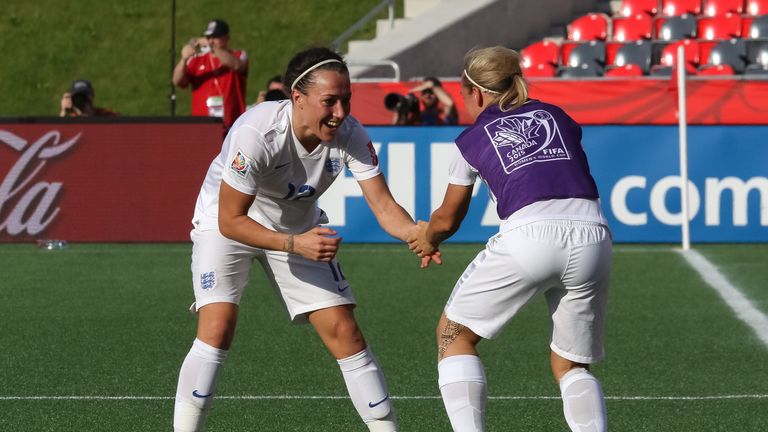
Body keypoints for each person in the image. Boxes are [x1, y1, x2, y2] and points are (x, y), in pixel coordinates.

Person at [173, 47, 438, 432]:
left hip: (296, 226)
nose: (341, 112)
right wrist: (294, 245)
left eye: (346, 99)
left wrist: (416, 233)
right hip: (228, 221)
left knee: (344, 329)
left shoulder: (349, 133)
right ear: (297, 97)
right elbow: (230, 220)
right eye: (329, 101)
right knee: (218, 324)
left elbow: (383, 206)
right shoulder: (256, 133)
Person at [408, 46, 611, 432]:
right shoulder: (558, 116)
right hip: (593, 237)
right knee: (570, 363)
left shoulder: (470, 139)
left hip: (531, 236)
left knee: (453, 336)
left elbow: (448, 218)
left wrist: (428, 239)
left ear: (477, 93)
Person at [172, 19, 248, 128]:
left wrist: (212, 47)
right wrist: (183, 59)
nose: (211, 41)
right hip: (202, 126)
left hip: (232, 124)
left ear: (226, 38)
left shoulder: (238, 55)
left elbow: (237, 65)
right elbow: (177, 80)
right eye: (208, 37)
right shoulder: (196, 60)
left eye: (215, 37)